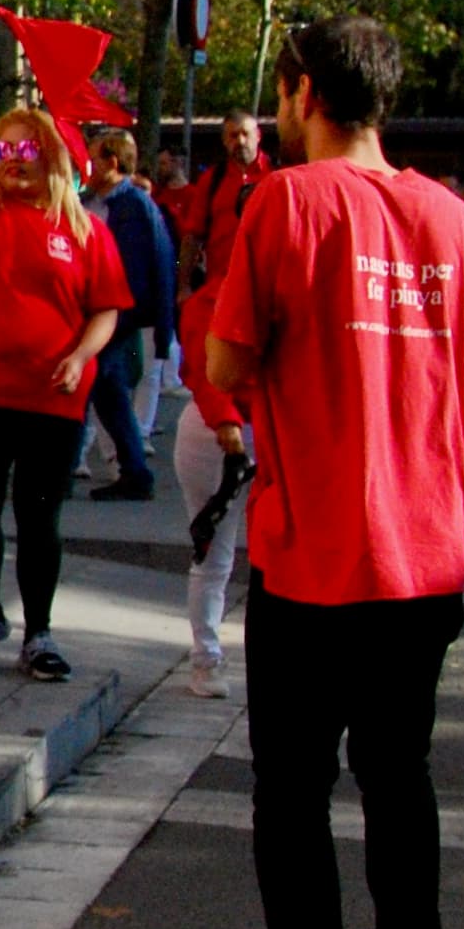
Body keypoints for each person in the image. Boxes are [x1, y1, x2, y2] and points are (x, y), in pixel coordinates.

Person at [204, 14, 464, 929]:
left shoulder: (286, 201)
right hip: (429, 550)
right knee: (399, 776)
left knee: (291, 793)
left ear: (299, 90)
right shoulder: (455, 220)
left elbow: (232, 358)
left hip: (318, 546)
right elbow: (457, 374)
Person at [0, 10, 132, 680]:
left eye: (26, 151)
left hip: (52, 394)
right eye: (3, 149)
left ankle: (40, 630)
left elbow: (106, 308)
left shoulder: (83, 228)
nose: (12, 162)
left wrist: (81, 355)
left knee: (39, 516)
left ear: (49, 156)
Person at [171, 265, 253, 700]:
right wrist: (226, 421)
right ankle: (206, 658)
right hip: (218, 430)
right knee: (214, 554)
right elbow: (206, 369)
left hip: (268, 426)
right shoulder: (211, 298)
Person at [83, 130, 176, 500]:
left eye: (93, 159)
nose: (86, 167)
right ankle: (134, 470)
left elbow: (137, 268)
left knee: (94, 383)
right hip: (106, 312)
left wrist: (122, 315)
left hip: (115, 313)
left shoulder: (133, 207)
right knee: (108, 392)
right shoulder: (99, 202)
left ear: (112, 163)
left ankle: (127, 469)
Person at [174, 111, 272, 288]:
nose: (240, 141)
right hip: (220, 286)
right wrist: (183, 285)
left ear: (258, 136)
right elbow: (191, 238)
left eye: (245, 134)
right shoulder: (211, 181)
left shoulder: (277, 176)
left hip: (267, 285)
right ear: (225, 141)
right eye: (233, 136)